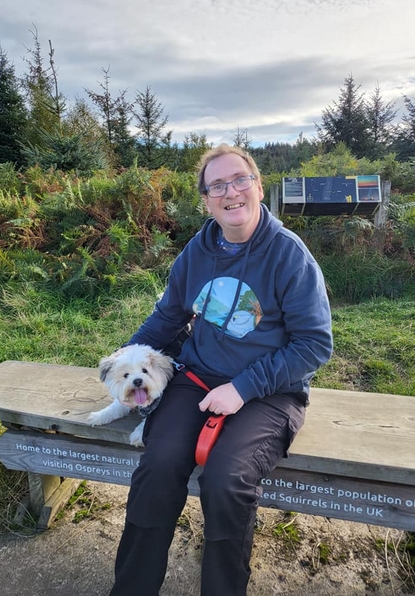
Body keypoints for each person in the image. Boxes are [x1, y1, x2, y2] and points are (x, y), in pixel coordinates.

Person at [108, 144, 333, 596]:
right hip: (197, 378)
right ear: (207, 200)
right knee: (158, 464)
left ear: (257, 187)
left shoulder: (289, 255)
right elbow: (169, 316)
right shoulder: (197, 251)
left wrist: (244, 386)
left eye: (239, 179)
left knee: (226, 480)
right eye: (217, 185)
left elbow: (315, 344)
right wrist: (127, 355)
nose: (231, 191)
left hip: (270, 392)